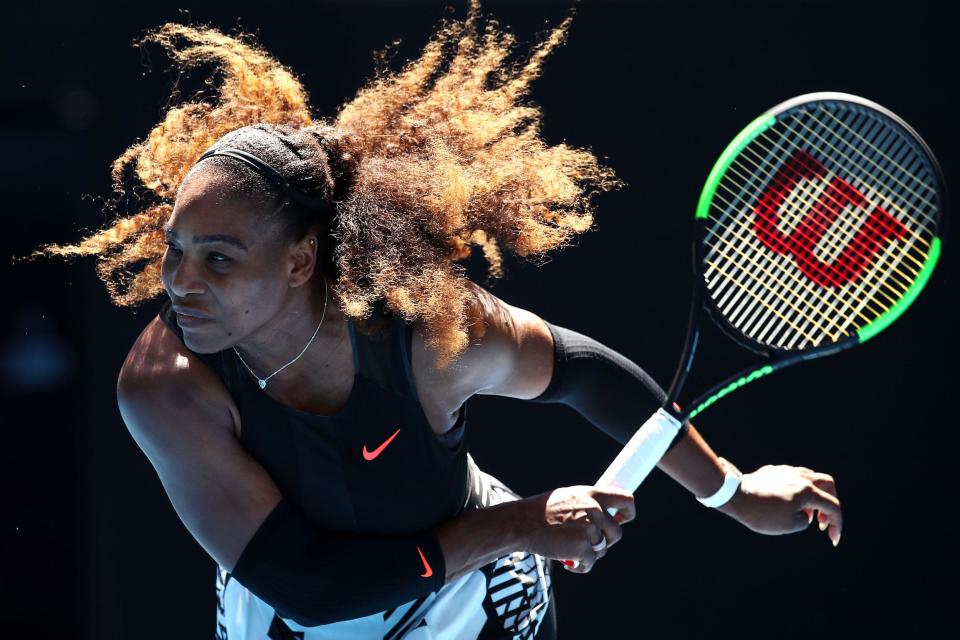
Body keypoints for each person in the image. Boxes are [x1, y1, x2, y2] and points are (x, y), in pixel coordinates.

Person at [25, 2, 842, 638]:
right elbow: (311, 589)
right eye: (175, 250)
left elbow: (584, 373)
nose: (180, 282)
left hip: (470, 593)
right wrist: (522, 524)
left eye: (219, 258)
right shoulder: (165, 386)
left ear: (301, 261)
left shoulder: (427, 334)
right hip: (296, 613)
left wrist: (733, 492)